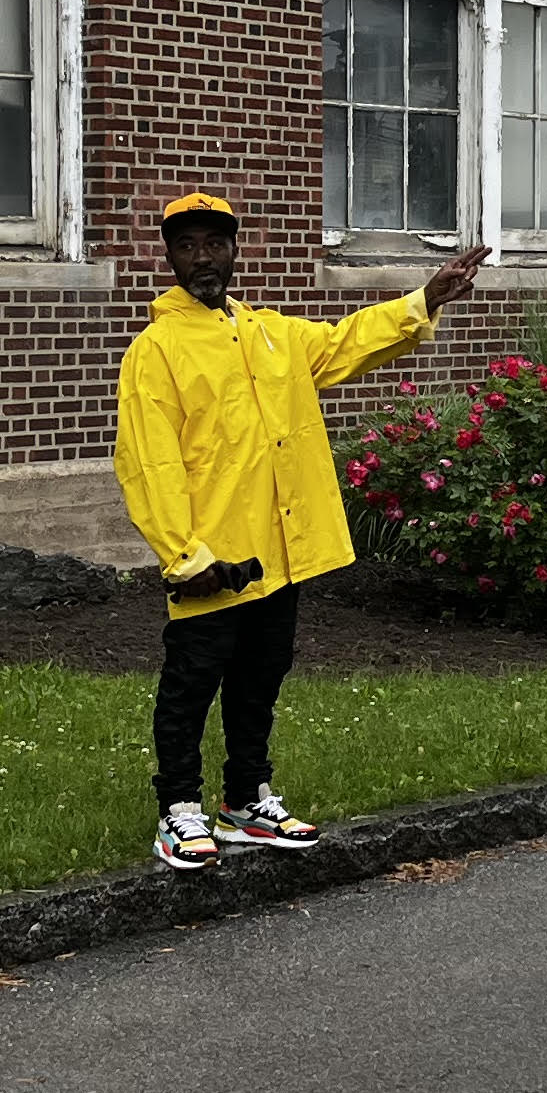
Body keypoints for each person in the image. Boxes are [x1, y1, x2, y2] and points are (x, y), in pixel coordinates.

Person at [115, 191, 485, 872]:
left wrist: (423, 299)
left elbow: (346, 343)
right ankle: (179, 809)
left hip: (278, 555)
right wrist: (184, 554)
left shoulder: (272, 335)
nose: (203, 258)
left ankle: (246, 799)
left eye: (214, 244)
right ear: (168, 256)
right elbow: (149, 463)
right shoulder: (156, 351)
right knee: (192, 683)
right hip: (212, 562)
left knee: (260, 678)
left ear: (234, 250)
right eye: (187, 245)